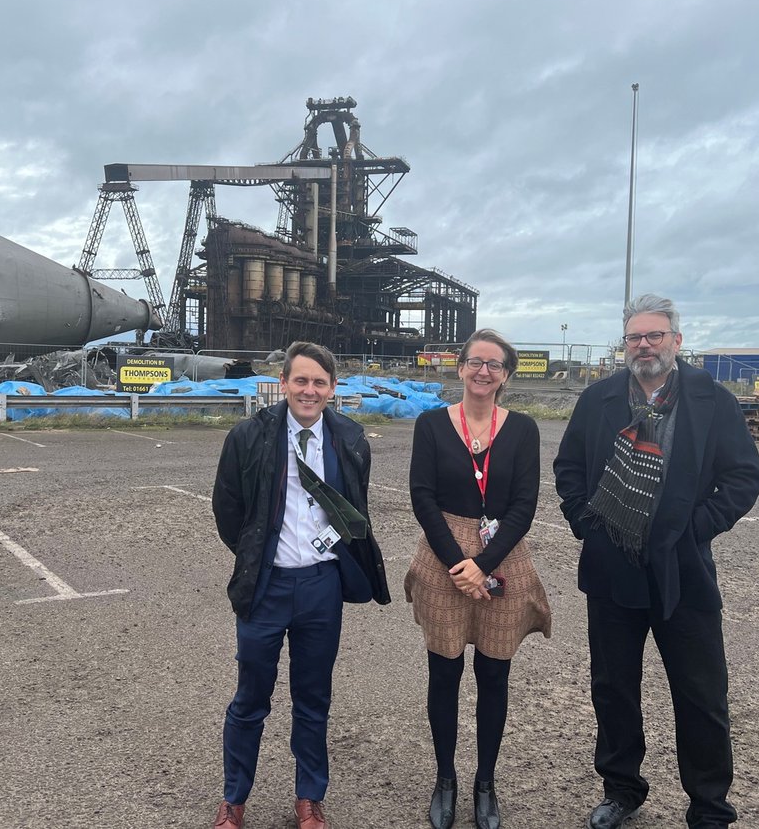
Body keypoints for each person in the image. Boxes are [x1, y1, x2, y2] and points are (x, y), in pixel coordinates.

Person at [552, 295, 759, 829]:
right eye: (634, 337)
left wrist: (695, 529)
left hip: (682, 570)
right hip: (612, 569)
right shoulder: (599, 399)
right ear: (624, 345)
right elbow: (569, 467)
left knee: (701, 693)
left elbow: (742, 478)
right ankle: (622, 788)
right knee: (614, 687)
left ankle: (710, 806)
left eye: (654, 335)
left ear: (676, 340)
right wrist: (588, 526)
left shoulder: (711, 400)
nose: (643, 345)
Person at [211, 341, 391, 829]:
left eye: (319, 382)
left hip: (320, 588)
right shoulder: (249, 435)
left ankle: (309, 797)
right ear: (284, 382)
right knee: (250, 698)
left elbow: (354, 509)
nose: (309, 390)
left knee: (313, 698)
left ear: (332, 389)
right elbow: (228, 510)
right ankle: (234, 800)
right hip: (266, 587)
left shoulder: (350, 439)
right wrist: (256, 555)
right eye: (301, 380)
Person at [406, 328, 552, 829]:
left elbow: (525, 504)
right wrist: (457, 564)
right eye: (475, 362)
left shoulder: (524, 429)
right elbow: (421, 497)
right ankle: (445, 778)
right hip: (442, 555)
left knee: (494, 675)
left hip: (501, 557)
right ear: (461, 367)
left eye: (494, 364)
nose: (483, 371)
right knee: (444, 673)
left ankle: (484, 782)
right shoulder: (430, 424)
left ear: (506, 374)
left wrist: (484, 564)